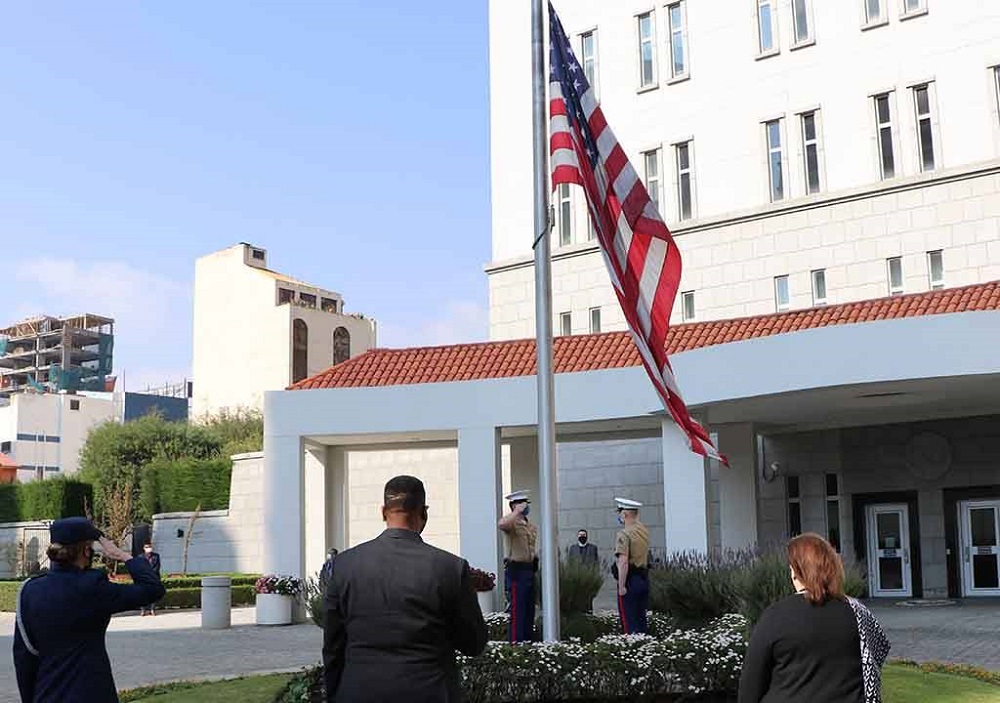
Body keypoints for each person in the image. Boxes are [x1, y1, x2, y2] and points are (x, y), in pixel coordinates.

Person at [323, 475, 487, 702]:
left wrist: (334, 693)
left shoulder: (344, 565)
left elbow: (333, 647)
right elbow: (473, 643)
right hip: (429, 691)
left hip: (359, 690)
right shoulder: (450, 568)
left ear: (383, 512)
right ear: (424, 512)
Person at [13, 517, 166, 703]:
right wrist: (123, 555)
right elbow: (153, 589)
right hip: (92, 693)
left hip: (47, 694)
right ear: (86, 550)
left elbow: (24, 658)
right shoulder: (93, 587)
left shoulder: (29, 590)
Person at [738, 533, 891, 703]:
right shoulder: (859, 613)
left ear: (795, 573)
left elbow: (751, 683)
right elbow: (878, 654)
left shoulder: (775, 615)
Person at [498, 489, 538, 643]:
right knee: (518, 610)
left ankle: (528, 642)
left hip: (529, 569)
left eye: (526, 503)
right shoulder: (512, 524)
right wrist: (516, 512)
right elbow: (502, 524)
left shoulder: (529, 525)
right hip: (517, 571)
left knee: (529, 609)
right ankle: (516, 643)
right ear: (515, 505)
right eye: (523, 503)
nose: (526, 506)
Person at [613, 497, 650, 634]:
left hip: (630, 581)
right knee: (641, 620)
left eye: (620, 513)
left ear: (624, 514)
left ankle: (633, 645)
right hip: (643, 579)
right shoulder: (644, 531)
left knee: (629, 623)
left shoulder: (624, 534)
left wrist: (622, 586)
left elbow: (623, 562)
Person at [139, 541, 161, 616]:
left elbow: (157, 567)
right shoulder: (140, 557)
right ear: (144, 548)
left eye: (149, 547)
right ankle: (143, 610)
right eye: (147, 547)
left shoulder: (156, 556)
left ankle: (152, 609)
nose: (148, 548)